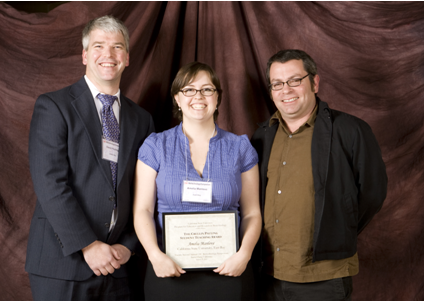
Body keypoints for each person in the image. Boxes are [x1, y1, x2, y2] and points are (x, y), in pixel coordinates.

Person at [25, 15, 154, 300]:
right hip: (62, 263)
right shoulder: (54, 107)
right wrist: (87, 245)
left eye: (117, 47)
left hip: (119, 265)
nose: (108, 54)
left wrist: (129, 245)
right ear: (84, 55)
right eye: (98, 46)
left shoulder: (142, 120)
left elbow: (144, 191)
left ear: (127, 58)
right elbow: (50, 183)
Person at [251, 49, 388, 301]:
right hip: (269, 275)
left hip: (323, 279)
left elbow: (373, 194)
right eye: (277, 84)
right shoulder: (262, 136)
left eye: (295, 80)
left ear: (314, 82)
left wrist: (336, 230)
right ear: (271, 91)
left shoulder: (351, 130)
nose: (286, 90)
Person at [133, 62, 262, 301]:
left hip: (229, 271)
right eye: (189, 90)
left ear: (217, 98)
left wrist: (244, 254)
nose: (198, 96)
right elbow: (143, 210)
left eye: (207, 89)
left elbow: (252, 213)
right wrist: (154, 255)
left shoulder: (240, 148)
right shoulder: (155, 146)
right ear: (177, 99)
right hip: (168, 270)